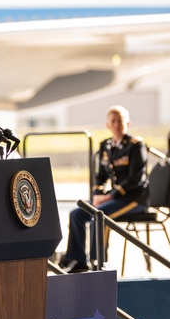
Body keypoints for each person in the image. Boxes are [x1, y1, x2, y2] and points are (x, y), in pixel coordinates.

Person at [59, 105, 149, 273]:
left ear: (128, 123)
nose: (116, 124)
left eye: (120, 121)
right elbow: (100, 176)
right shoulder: (106, 146)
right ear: (108, 125)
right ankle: (77, 260)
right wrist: (97, 195)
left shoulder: (136, 145)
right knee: (76, 213)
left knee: (99, 217)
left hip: (134, 198)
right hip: (113, 198)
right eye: (113, 121)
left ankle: (97, 261)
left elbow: (136, 178)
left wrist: (109, 197)